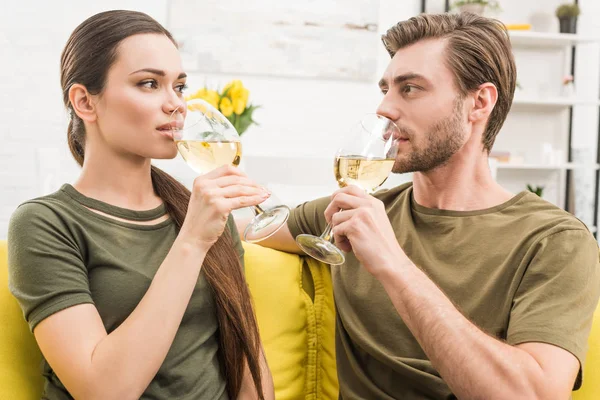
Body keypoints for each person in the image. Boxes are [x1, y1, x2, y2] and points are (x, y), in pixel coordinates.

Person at [253, 12, 600, 399]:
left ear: (479, 102)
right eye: (384, 89)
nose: (384, 108)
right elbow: (240, 233)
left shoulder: (554, 240)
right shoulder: (354, 212)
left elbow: (534, 395)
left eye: (411, 89)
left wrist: (393, 264)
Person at [8, 10, 274, 400]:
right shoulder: (45, 223)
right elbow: (104, 391)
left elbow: (247, 358)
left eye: (179, 87)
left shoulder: (197, 210)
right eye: (149, 84)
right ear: (85, 102)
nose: (176, 105)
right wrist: (192, 242)